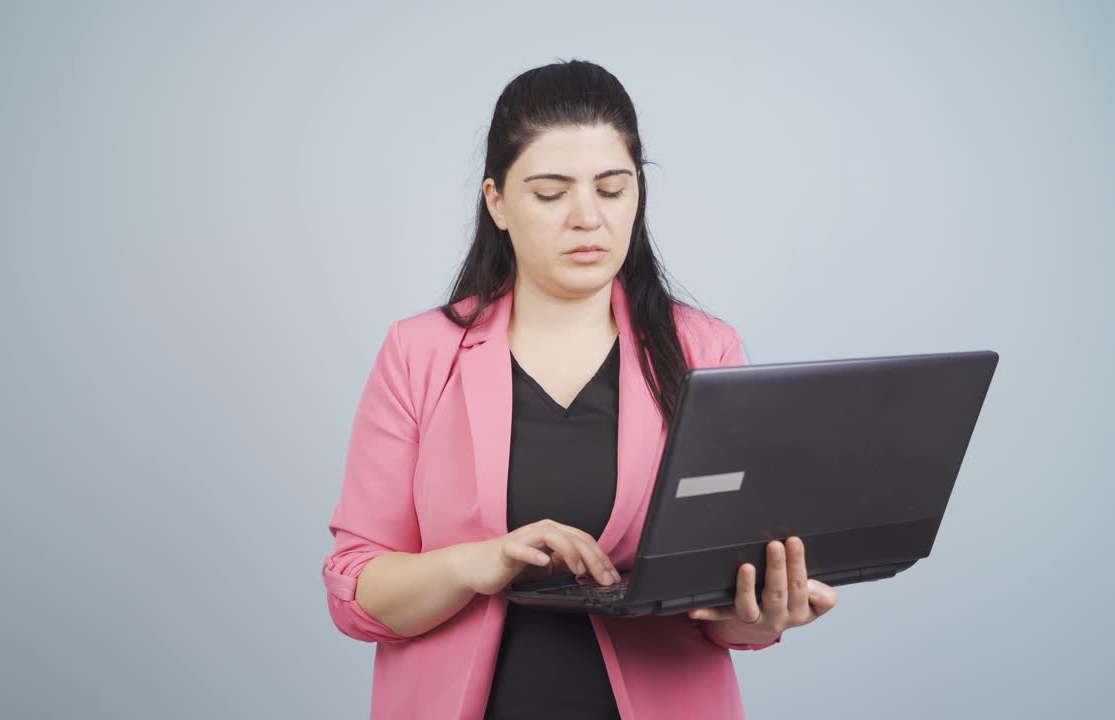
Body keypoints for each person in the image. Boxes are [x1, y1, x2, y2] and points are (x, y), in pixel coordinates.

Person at [321, 59, 839, 720]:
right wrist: (477, 563)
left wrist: (761, 613)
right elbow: (354, 588)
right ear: (498, 202)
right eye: (550, 192)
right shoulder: (420, 352)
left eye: (612, 188)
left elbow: (720, 609)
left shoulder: (704, 351)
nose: (587, 217)